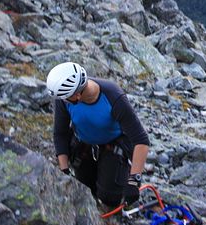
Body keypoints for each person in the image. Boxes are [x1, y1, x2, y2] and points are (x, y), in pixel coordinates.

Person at [46, 62, 150, 207]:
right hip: (83, 146)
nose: (63, 101)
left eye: (66, 97)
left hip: (113, 145)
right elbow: (60, 134)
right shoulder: (64, 101)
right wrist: (64, 170)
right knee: (86, 189)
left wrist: (134, 180)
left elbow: (141, 140)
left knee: (109, 197)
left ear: (77, 95)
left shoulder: (113, 96)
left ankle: (114, 210)